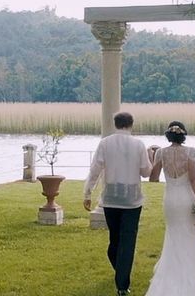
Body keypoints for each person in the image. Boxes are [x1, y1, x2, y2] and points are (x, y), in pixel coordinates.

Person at [83, 112, 153, 296]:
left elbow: (95, 169)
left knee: (115, 239)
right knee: (127, 242)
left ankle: (121, 280)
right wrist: (150, 159)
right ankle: (122, 278)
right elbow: (146, 173)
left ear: (115, 124)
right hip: (132, 200)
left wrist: (88, 192)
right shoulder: (139, 145)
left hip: (111, 198)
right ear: (131, 124)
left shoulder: (105, 143)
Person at [145, 121, 195, 296]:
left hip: (170, 200)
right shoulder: (190, 152)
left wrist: (152, 158)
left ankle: (170, 275)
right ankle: (189, 278)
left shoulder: (161, 153)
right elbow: (193, 180)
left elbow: (153, 178)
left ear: (168, 135)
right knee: (190, 236)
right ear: (183, 135)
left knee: (173, 235)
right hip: (186, 199)